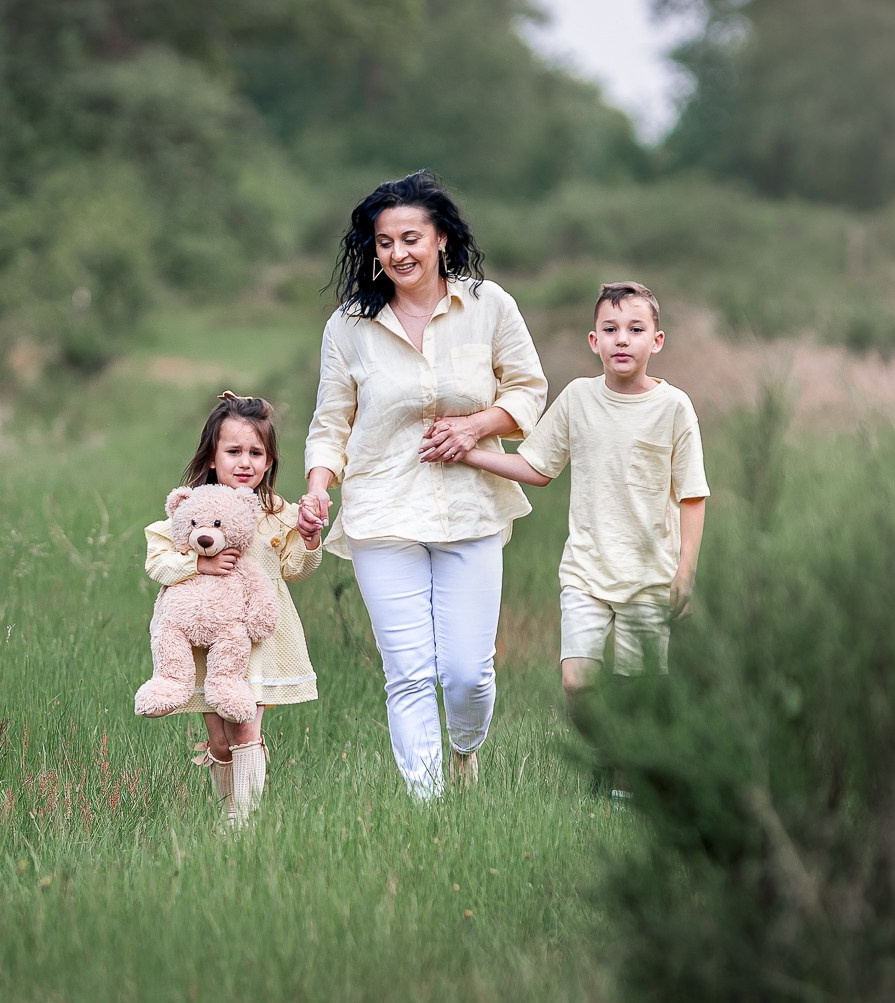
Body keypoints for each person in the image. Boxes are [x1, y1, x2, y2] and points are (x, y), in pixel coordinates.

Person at [297, 170, 547, 798]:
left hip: (472, 508)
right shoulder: (349, 326)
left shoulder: (489, 306)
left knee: (468, 674)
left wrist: (475, 428)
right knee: (408, 674)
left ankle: (465, 753)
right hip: (381, 511)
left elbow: (529, 391)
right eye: (384, 243)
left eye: (411, 238)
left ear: (440, 239)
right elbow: (332, 421)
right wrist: (319, 486)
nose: (398, 254)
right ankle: (426, 806)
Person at [446, 282, 707, 729]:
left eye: (635, 328)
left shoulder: (674, 407)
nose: (622, 339)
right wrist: (469, 450)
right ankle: (603, 753)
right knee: (575, 682)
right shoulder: (578, 398)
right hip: (585, 570)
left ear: (656, 341)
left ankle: (628, 775)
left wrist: (685, 571)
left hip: (649, 575)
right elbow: (537, 468)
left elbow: (692, 495)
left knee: (637, 685)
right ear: (594, 341)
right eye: (610, 329)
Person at [144, 392, 321, 825]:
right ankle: (226, 811)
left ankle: (243, 824)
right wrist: (197, 562)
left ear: (270, 460)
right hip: (204, 642)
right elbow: (157, 563)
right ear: (211, 458)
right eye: (234, 451)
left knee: (245, 727)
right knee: (219, 738)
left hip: (256, 638)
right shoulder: (193, 512)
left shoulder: (276, 514)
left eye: (256, 453)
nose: (246, 463)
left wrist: (310, 539)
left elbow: (295, 568)